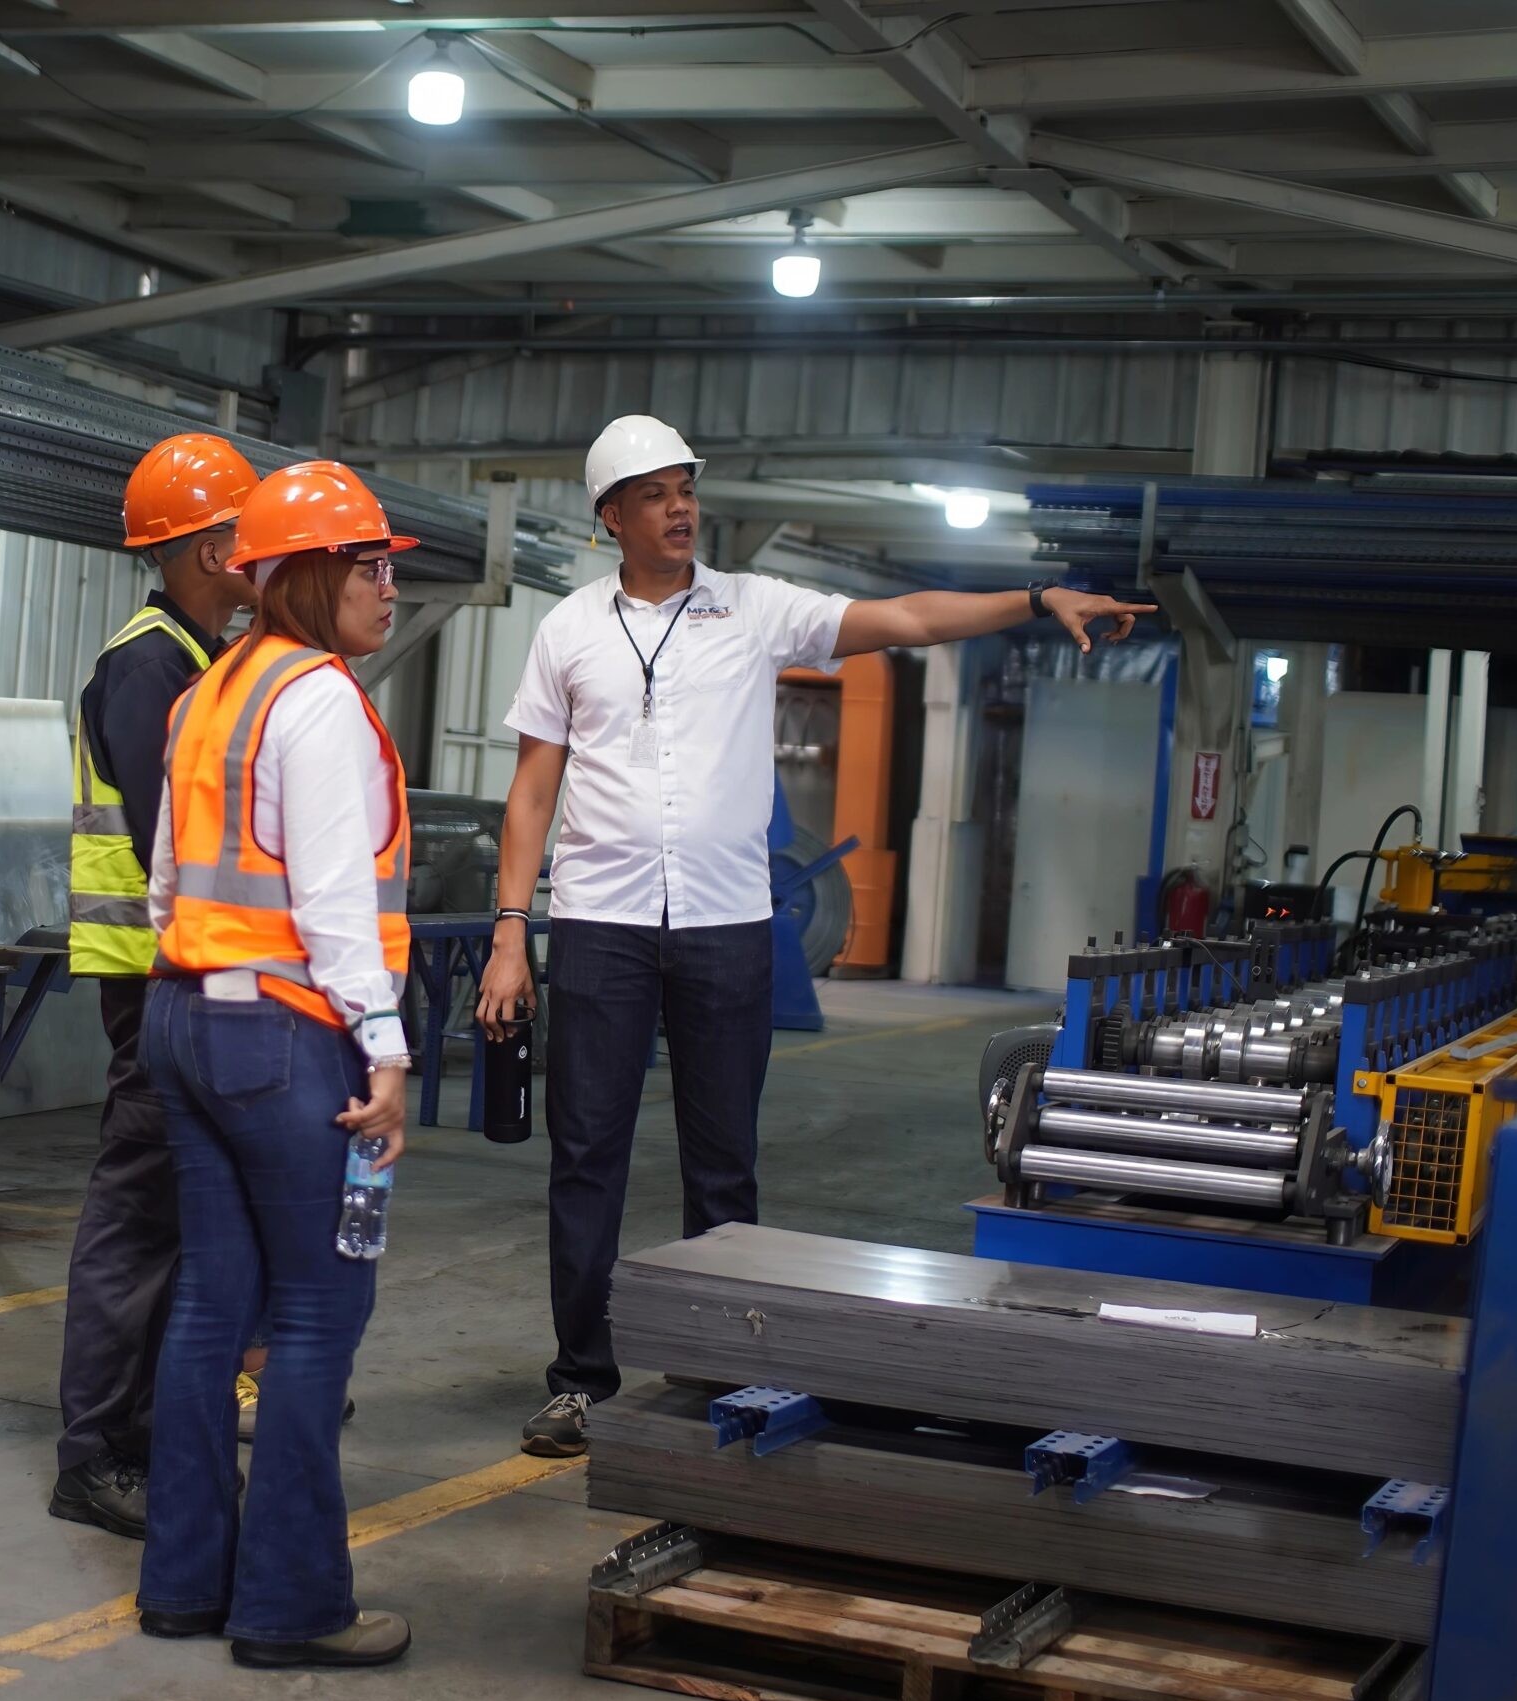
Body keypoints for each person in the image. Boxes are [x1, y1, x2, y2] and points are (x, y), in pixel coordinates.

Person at [475, 414, 1154, 1460]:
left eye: (686, 488)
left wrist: (1033, 599)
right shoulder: (568, 629)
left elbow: (908, 617)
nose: (680, 508)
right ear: (611, 516)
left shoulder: (754, 609)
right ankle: (580, 1380)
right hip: (603, 925)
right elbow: (532, 791)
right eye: (655, 494)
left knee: (723, 1164)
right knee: (586, 1157)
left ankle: (717, 1368)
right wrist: (510, 929)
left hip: (726, 927)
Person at [137, 461, 416, 1672]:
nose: (388, 587)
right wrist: (385, 1049)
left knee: (212, 1303)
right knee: (316, 1311)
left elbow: (164, 879)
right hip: (287, 1034)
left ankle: (184, 1584)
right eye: (370, 567)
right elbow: (335, 900)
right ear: (308, 575)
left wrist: (209, 974)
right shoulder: (319, 700)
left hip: (185, 1016)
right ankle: (291, 1606)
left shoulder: (211, 692)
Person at [50, 433, 258, 1539]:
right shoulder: (150, 668)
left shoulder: (195, 656)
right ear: (209, 551)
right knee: (137, 1219)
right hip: (155, 980)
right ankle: (97, 1456)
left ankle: (151, 1427)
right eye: (246, 534)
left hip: (185, 976)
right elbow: (175, 835)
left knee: (175, 1215)